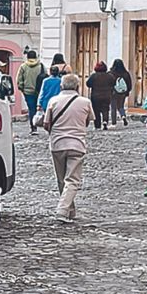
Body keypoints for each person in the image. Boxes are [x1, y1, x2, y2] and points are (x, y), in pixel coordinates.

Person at [41, 74, 94, 223]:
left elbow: (46, 124)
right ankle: (63, 210)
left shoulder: (53, 101)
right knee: (72, 180)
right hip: (77, 143)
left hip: (57, 144)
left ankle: (70, 211)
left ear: (61, 86)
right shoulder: (85, 102)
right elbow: (88, 121)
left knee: (61, 179)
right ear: (77, 86)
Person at [16, 50, 47, 135]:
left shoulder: (23, 66)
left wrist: (21, 88)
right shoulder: (41, 66)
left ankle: (33, 127)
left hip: (28, 91)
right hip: (39, 91)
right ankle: (44, 124)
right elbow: (46, 77)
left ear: (27, 57)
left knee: (31, 109)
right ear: (36, 57)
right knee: (40, 108)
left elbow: (19, 79)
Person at [85, 61, 116, 130]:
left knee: (96, 110)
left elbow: (88, 84)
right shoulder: (109, 76)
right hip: (107, 95)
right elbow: (114, 83)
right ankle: (105, 121)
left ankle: (97, 125)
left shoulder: (94, 76)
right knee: (105, 109)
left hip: (95, 96)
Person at [35, 64, 64, 130]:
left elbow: (42, 93)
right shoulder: (60, 81)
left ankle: (49, 129)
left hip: (46, 102)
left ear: (50, 72)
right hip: (57, 101)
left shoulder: (45, 81)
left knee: (48, 116)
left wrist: (39, 104)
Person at [109, 59, 133, 127]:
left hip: (113, 93)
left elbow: (109, 84)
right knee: (121, 106)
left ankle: (114, 123)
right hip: (122, 93)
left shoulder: (111, 73)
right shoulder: (126, 73)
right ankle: (123, 116)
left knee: (113, 107)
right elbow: (129, 84)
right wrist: (127, 91)